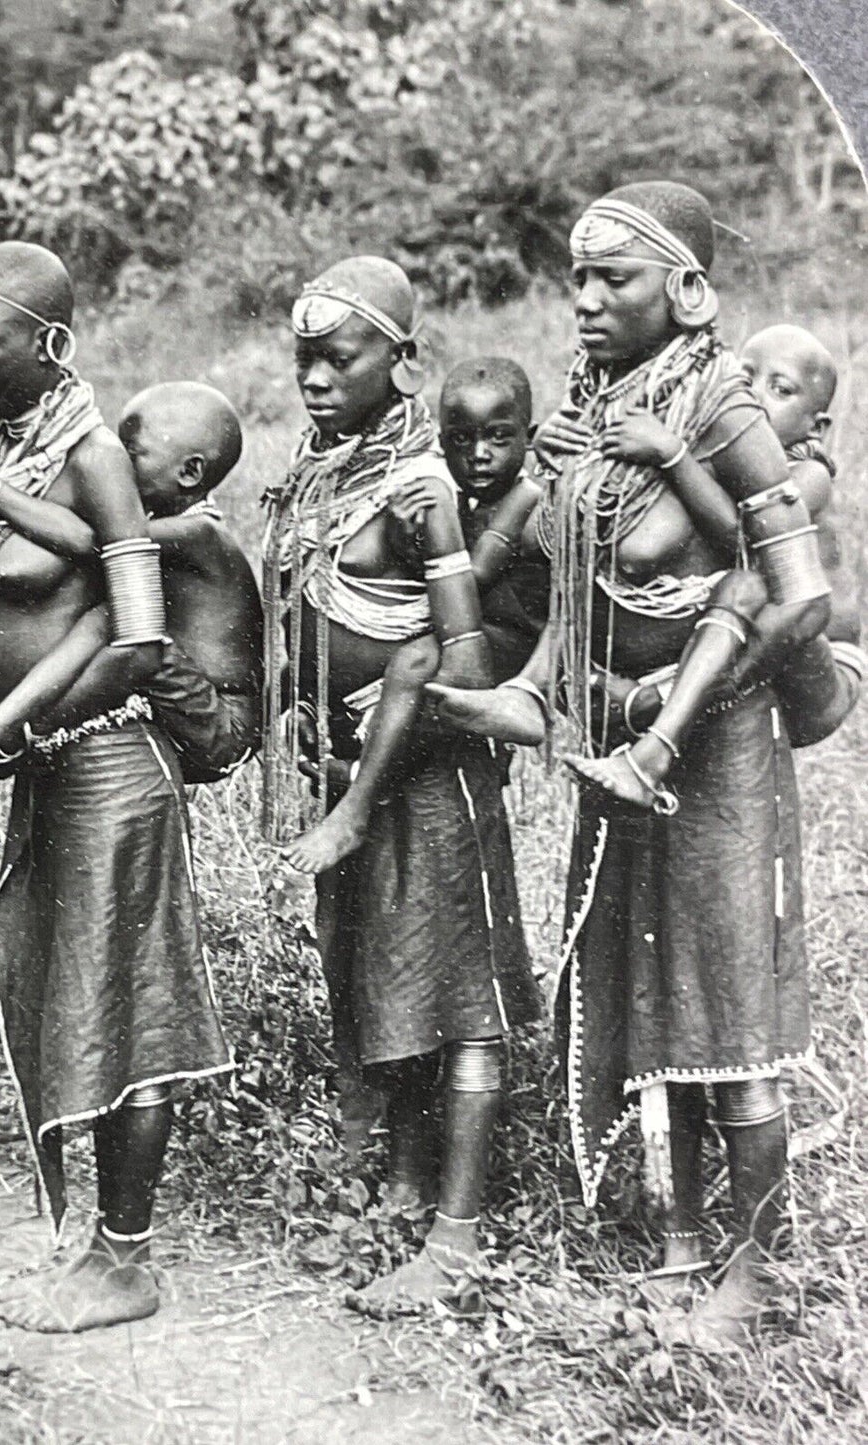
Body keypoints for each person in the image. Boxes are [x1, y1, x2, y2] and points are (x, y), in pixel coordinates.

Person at [430, 183, 824, 1348]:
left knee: (725, 997)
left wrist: (676, 703)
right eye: (578, 278)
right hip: (611, 743)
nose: (586, 299)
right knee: (651, 989)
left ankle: (753, 1273)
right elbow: (578, 566)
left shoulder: (720, 402)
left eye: (616, 278)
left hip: (712, 756)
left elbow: (791, 590)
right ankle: (681, 1243)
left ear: (686, 290)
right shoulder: (600, 402)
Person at [0, 240, 232, 1332]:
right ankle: (92, 1241)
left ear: (49, 347)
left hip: (108, 769)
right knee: (67, 989)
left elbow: (138, 635)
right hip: (54, 770)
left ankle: (125, 1257)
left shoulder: (91, 456)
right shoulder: (15, 445)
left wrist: (4, 725)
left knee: (127, 1001)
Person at [262, 258, 539, 1316]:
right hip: (348, 770)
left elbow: (461, 666)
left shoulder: (428, 482)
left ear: (401, 360)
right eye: (305, 360)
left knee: (461, 1000)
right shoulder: (326, 468)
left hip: (428, 778)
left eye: (342, 357)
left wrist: (373, 736)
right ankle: (408, 1187)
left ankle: (458, 1235)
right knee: (390, 982)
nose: (317, 378)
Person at [0, 380, 264, 791]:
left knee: (109, 622)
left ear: (190, 472)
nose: (116, 471)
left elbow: (95, 541)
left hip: (222, 724)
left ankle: (1, 732)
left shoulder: (199, 534)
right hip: (188, 700)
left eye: (132, 457)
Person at [563, 322, 862, 809]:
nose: (755, 399)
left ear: (816, 425)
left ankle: (654, 729)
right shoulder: (729, 457)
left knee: (747, 585)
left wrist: (672, 454)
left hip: (822, 672)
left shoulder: (808, 474)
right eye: (744, 383)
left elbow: (744, 545)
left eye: (780, 389)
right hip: (767, 645)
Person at [281, 357, 542, 873]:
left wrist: (425, 538)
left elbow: (474, 579)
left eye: (497, 438)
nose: (479, 455)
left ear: (527, 438)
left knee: (415, 661)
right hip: (477, 634)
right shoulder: (463, 495)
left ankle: (356, 806)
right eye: (461, 441)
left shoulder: (524, 497)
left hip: (511, 648)